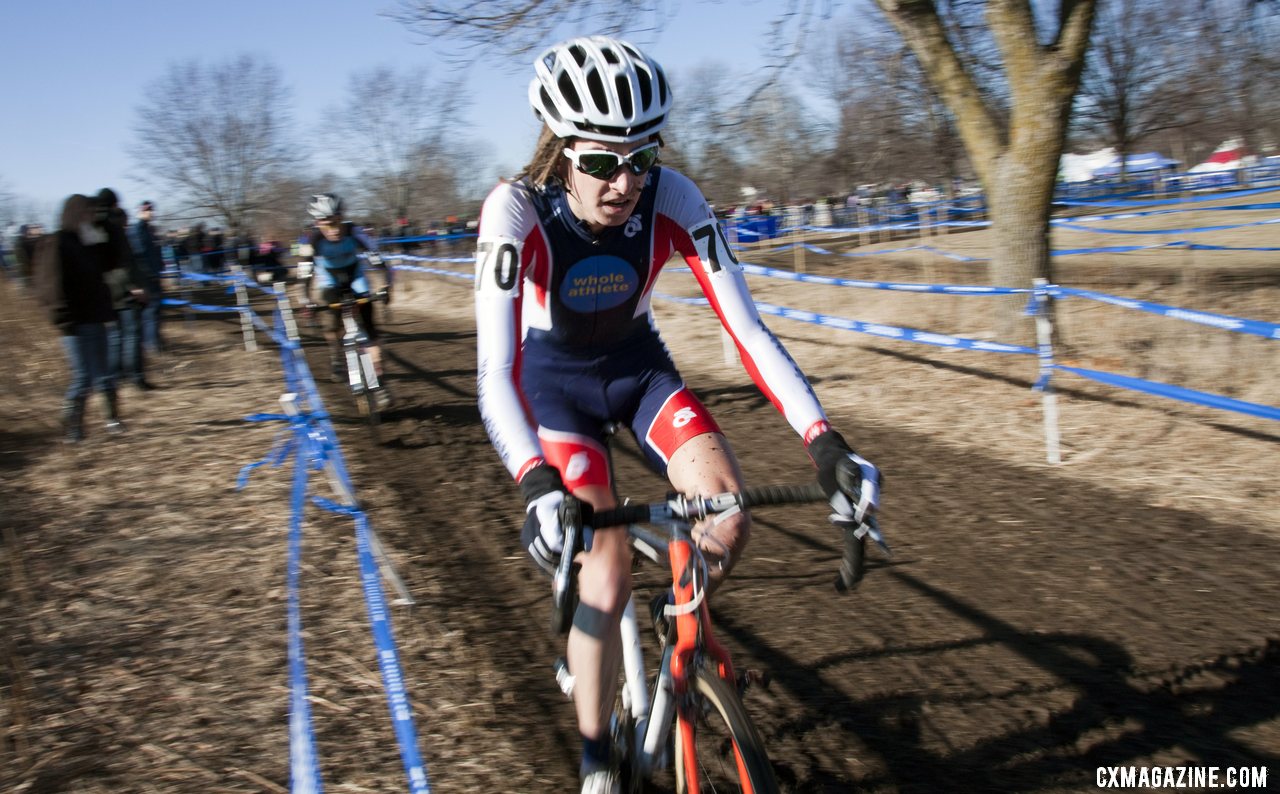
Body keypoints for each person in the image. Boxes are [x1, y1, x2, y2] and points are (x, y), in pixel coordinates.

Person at [474, 35, 881, 793]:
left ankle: (677, 649)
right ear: (561, 151)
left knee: (729, 519)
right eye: (600, 161)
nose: (624, 181)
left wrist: (826, 445)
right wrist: (535, 485)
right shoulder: (517, 210)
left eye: (642, 157)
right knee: (606, 569)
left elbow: (749, 333)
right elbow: (493, 373)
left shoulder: (676, 199)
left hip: (639, 373)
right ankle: (598, 759)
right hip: (553, 392)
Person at [35, 194, 122, 441]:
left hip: (95, 318)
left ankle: (112, 420)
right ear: (75, 213)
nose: (90, 218)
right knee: (83, 376)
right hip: (74, 323)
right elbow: (50, 285)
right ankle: (72, 428)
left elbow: (111, 262)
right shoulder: (57, 242)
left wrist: (105, 231)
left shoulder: (87, 242)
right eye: (87, 213)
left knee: (104, 373)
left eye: (93, 214)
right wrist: (62, 318)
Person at [304, 193, 394, 405]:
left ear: (342, 217)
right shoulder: (312, 239)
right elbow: (304, 274)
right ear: (318, 223)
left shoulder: (355, 231)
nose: (334, 229)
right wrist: (306, 300)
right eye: (327, 224)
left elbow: (379, 262)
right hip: (329, 281)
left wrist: (386, 287)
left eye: (336, 222)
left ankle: (379, 383)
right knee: (332, 322)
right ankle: (336, 354)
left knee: (369, 329)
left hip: (355, 277)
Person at [95, 189, 150, 395]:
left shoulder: (91, 227)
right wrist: (134, 286)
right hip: (124, 290)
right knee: (132, 336)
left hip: (105, 291)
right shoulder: (114, 228)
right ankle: (135, 377)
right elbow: (124, 262)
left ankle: (115, 378)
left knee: (114, 337)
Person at [128, 200, 167, 362]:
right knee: (150, 311)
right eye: (146, 210)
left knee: (156, 311)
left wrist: (160, 267)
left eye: (151, 209)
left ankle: (154, 342)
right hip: (146, 278)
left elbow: (155, 252)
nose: (150, 212)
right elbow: (139, 255)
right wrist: (147, 274)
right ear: (140, 212)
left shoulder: (150, 230)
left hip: (154, 275)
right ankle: (151, 345)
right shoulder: (136, 230)